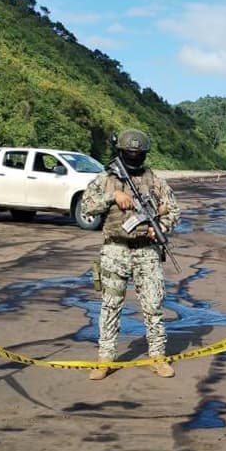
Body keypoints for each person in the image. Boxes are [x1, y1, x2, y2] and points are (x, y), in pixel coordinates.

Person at [80, 129, 181, 380]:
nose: (134, 157)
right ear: (121, 152)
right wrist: (113, 196)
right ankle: (105, 359)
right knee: (110, 305)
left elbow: (174, 210)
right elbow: (86, 206)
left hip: (146, 251)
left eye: (138, 154)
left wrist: (163, 228)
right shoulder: (105, 179)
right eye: (130, 153)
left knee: (153, 305)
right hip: (115, 249)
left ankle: (157, 357)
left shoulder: (155, 181)